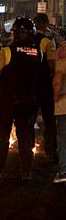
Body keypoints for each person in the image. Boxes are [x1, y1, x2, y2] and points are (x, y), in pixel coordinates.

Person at [0, 18, 42, 180]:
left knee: (3, 134)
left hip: (8, 99)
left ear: (15, 33)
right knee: (25, 135)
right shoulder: (38, 51)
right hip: (29, 99)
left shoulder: (7, 51)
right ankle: (26, 171)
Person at [33, 13, 57, 161]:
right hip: (44, 85)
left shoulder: (27, 41)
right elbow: (52, 65)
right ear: (46, 24)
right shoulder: (47, 42)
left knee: (28, 118)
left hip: (29, 85)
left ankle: (25, 146)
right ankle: (49, 150)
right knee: (49, 119)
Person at [53, 37, 66, 183]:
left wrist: (55, 97)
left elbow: (57, 82)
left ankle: (64, 172)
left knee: (63, 139)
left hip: (64, 107)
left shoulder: (63, 59)